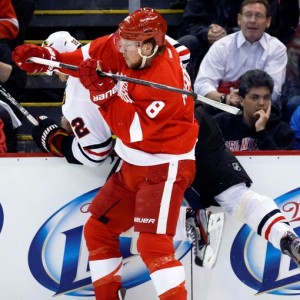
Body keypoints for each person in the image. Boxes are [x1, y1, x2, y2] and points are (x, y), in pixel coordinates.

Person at [13, 8, 199, 300]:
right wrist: (49, 61)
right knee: (98, 231)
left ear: (148, 46)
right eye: (121, 40)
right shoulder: (133, 45)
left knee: (152, 244)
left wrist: (102, 93)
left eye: (127, 43)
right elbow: (89, 57)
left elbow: (130, 132)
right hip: (132, 164)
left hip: (165, 166)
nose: (120, 47)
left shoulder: (166, 84)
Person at [193, 0, 287, 114]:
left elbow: (274, 91)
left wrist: (246, 99)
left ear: (268, 21)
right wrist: (224, 98)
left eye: (258, 16)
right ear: (239, 19)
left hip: (260, 107)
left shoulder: (277, 49)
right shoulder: (222, 46)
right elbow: (201, 84)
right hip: (224, 107)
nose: (252, 20)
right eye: (248, 15)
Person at [178, 0, 299, 85]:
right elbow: (187, 23)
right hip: (205, 41)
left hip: (245, 39)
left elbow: (272, 25)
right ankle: (183, 97)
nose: (253, 18)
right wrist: (207, 32)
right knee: (186, 43)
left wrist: (228, 32)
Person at [214, 69, 294, 151]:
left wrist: (261, 130)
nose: (261, 103)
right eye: (254, 98)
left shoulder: (283, 132)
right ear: (241, 100)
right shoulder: (221, 124)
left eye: (266, 97)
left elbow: (277, 163)